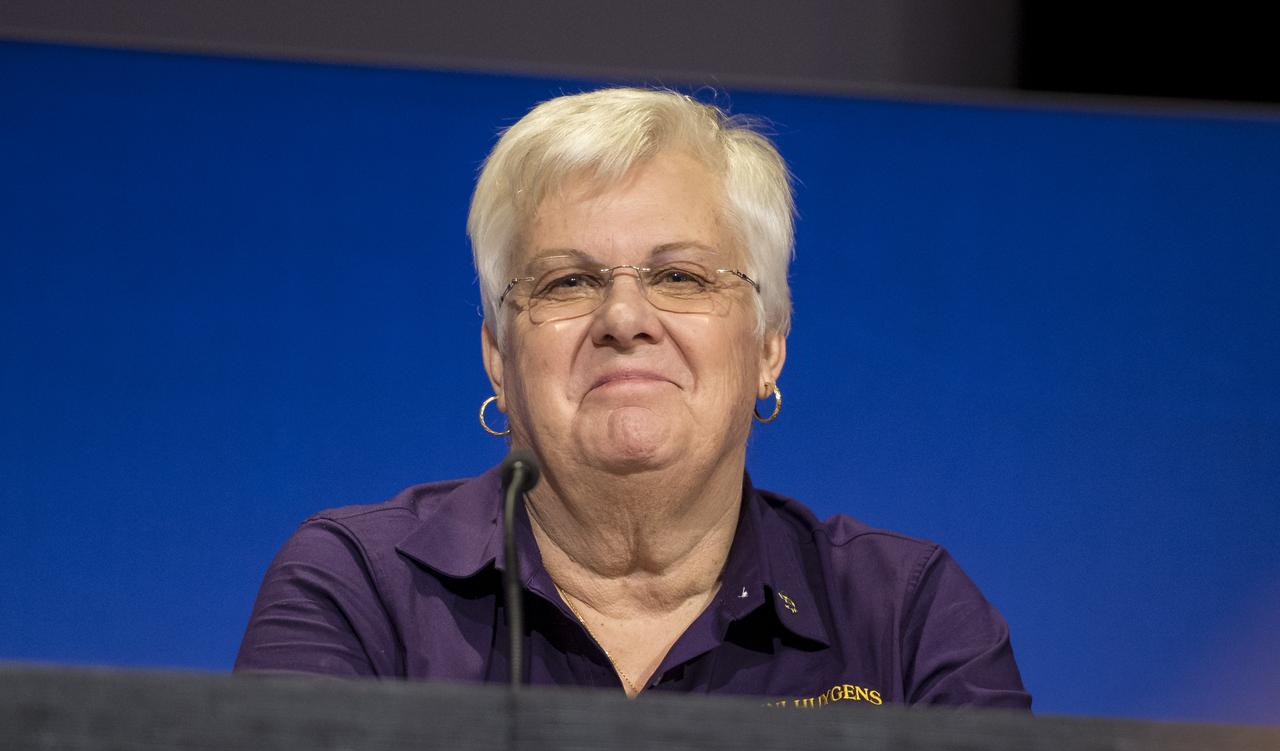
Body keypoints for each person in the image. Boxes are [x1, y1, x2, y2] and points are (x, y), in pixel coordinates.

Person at [235, 88, 1030, 709]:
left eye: (680, 275)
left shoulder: (907, 619)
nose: (623, 318)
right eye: (567, 281)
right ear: (499, 359)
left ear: (768, 347)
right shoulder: (358, 591)